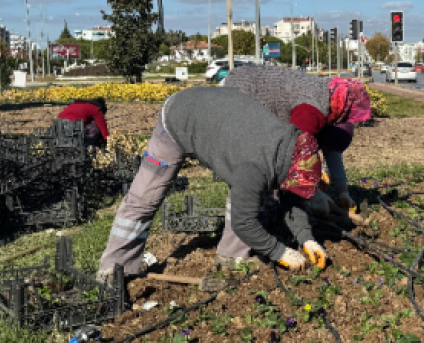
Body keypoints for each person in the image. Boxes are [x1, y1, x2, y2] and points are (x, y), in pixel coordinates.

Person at [96, 86, 328, 285]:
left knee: (254, 196)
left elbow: (291, 195)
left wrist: (306, 237)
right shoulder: (255, 166)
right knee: (144, 197)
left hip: (220, 121)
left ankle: (231, 259)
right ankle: (114, 269)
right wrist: (280, 252)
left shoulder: (291, 150)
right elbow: (243, 221)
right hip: (179, 117)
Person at [216, 67, 372, 267]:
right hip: (239, 98)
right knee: (251, 180)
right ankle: (232, 256)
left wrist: (342, 192)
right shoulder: (311, 112)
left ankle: (261, 229)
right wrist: (312, 192)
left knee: (270, 188)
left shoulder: (328, 108)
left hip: (248, 99)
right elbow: (291, 158)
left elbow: (329, 157)